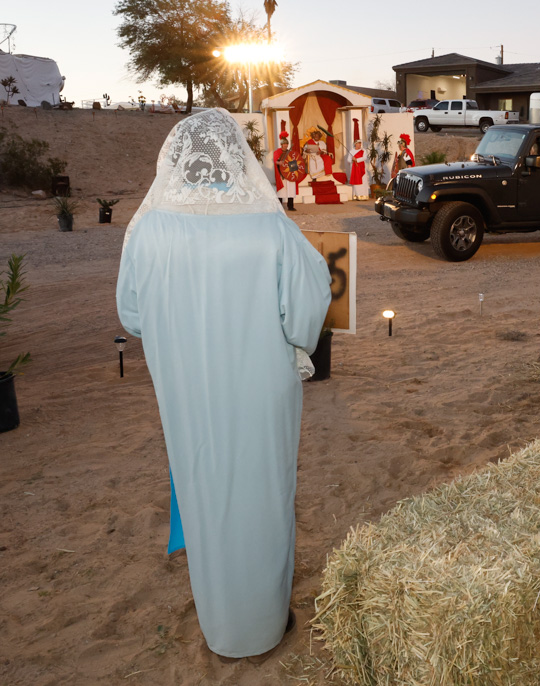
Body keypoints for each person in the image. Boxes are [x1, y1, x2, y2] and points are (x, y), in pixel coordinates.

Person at [116, 109, 332, 659]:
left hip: (187, 393)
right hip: (260, 393)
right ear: (237, 157)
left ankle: (221, 624)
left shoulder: (147, 231)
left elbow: (132, 315)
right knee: (263, 494)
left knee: (205, 492)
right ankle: (262, 623)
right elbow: (307, 314)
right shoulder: (270, 229)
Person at [273, 135, 297, 211]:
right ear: (281, 144)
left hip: (290, 173)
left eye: (287, 144)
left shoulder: (290, 152)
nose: (286, 145)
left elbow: (294, 160)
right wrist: (279, 162)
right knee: (281, 191)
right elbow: (275, 160)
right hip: (282, 174)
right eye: (284, 144)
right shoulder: (277, 152)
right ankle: (280, 207)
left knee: (291, 189)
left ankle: (290, 206)